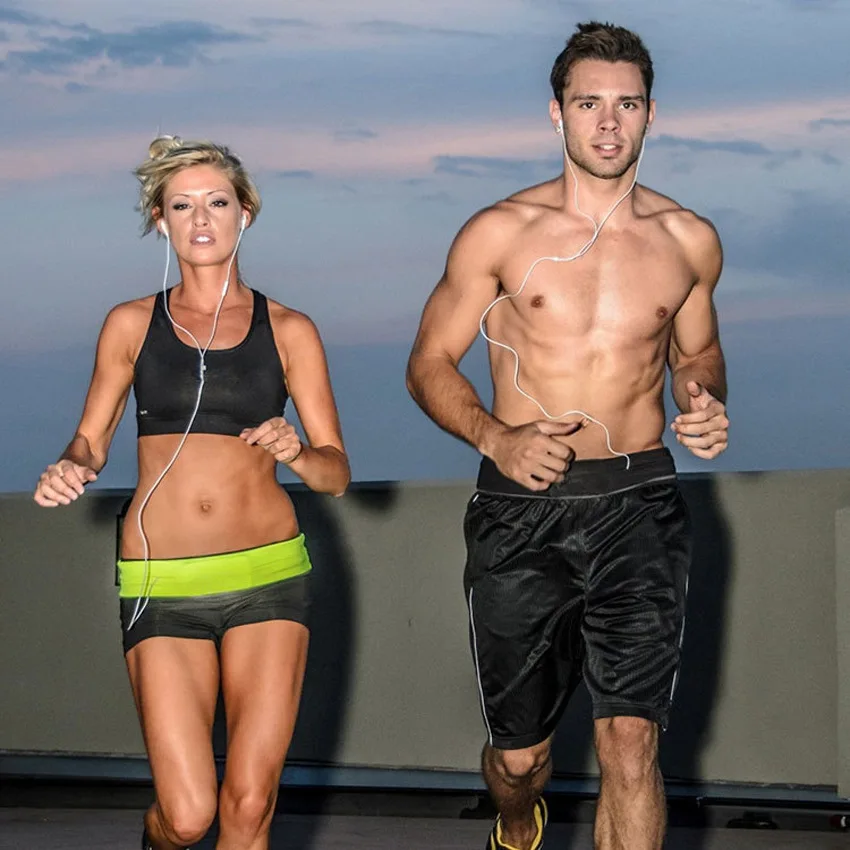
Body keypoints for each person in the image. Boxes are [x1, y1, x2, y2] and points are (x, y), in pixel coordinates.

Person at [407, 21, 729, 850]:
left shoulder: (689, 240)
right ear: (557, 113)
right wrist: (496, 438)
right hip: (522, 509)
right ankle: (518, 821)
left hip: (640, 504)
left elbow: (697, 353)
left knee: (631, 742)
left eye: (627, 104)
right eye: (589, 104)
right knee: (521, 758)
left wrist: (702, 397)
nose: (609, 123)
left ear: (651, 114)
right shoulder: (499, 233)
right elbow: (429, 363)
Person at [33, 136, 350, 850]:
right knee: (186, 817)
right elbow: (89, 440)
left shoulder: (291, 330)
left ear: (245, 214)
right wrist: (68, 466)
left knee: (249, 807)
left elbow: (336, 473)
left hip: (269, 579)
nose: (201, 218)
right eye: (182, 205)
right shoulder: (129, 324)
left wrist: (298, 451)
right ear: (161, 220)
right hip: (162, 582)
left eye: (217, 202)